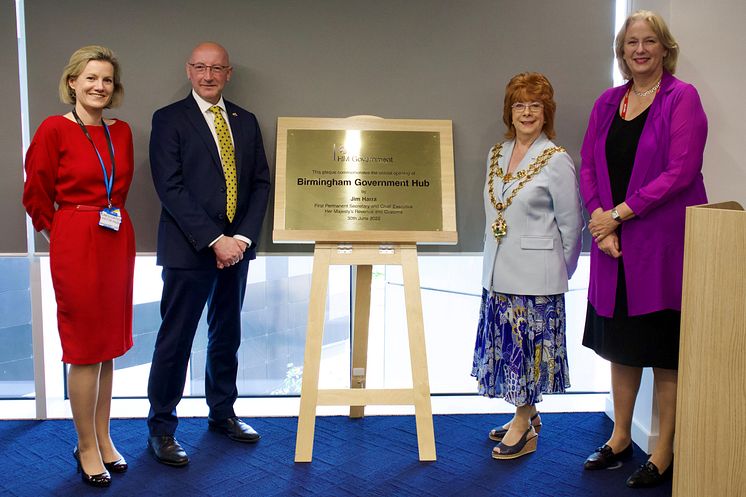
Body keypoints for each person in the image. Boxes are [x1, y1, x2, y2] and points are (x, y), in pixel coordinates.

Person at [579, 10, 707, 488]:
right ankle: (618, 440)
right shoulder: (607, 103)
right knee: (622, 345)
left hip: (663, 245)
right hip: (615, 246)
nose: (640, 49)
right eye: (632, 42)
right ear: (622, 50)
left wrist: (620, 213)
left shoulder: (682, 98)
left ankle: (663, 450)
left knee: (663, 348)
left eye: (649, 41)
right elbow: (588, 164)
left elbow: (681, 171)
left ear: (664, 47)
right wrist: (601, 223)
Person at [147, 41, 271, 467]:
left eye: (216, 68)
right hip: (189, 250)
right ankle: (162, 428)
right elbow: (170, 187)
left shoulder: (246, 121)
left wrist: (242, 240)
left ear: (228, 73)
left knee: (226, 335)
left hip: (237, 252)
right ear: (188, 70)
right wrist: (215, 239)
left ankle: (222, 414)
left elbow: (259, 185)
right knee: (175, 339)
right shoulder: (168, 120)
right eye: (200, 67)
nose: (208, 75)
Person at [22, 46, 134, 487]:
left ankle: (104, 437)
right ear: (72, 82)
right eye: (90, 78)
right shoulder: (53, 129)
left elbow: (119, 189)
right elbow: (35, 194)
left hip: (116, 236)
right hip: (76, 239)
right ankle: (85, 444)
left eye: (106, 80)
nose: (98, 87)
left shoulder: (120, 132)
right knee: (85, 348)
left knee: (107, 347)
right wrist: (63, 234)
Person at [472, 72, 584, 460]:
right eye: (519, 105)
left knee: (526, 352)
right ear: (509, 111)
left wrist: (558, 273)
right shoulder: (495, 154)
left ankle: (523, 423)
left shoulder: (557, 160)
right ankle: (528, 412)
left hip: (537, 279)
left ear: (546, 111)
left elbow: (572, 225)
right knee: (506, 349)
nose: (526, 112)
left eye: (535, 105)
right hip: (498, 272)